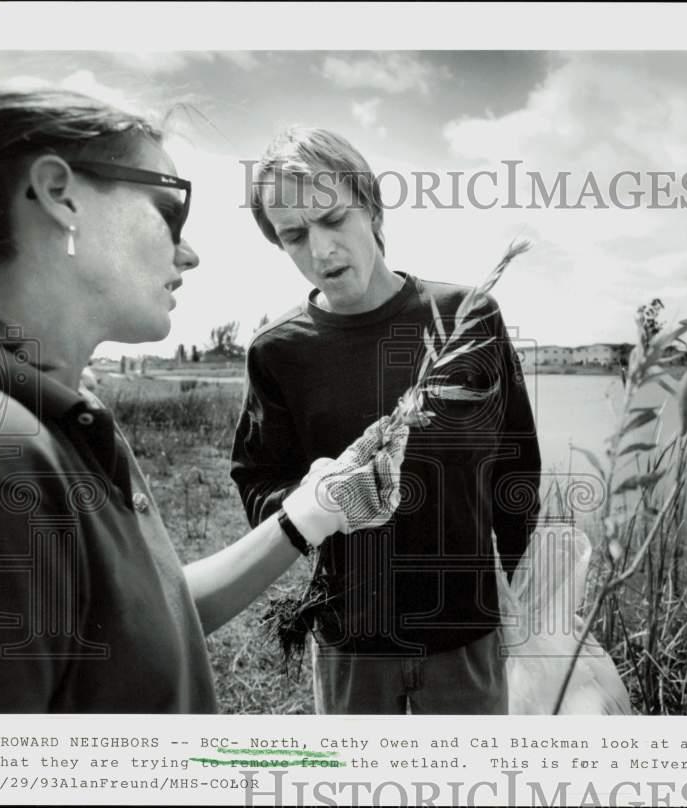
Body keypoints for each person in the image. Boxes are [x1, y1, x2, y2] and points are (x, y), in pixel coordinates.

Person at [0, 89, 407, 713]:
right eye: (168, 208)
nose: (190, 252)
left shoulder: (64, 420)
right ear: (60, 196)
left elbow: (155, 614)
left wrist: (308, 514)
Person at [232, 126, 542, 714]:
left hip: (467, 632)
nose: (320, 251)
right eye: (294, 235)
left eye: (332, 219)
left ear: (371, 208)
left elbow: (517, 462)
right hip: (352, 640)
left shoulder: (468, 317)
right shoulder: (278, 351)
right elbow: (256, 481)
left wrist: (516, 580)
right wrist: (316, 500)